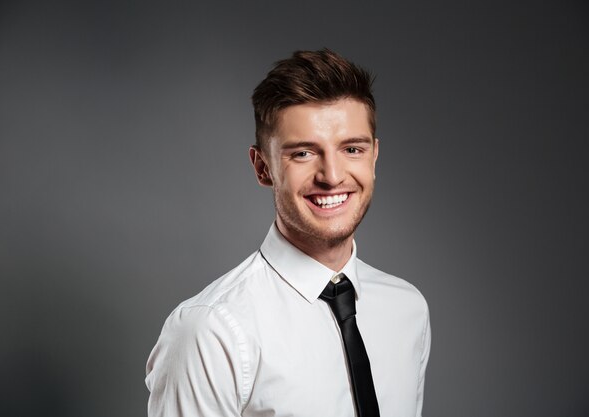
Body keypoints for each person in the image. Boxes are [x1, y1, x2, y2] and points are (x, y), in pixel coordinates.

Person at [145, 48, 431, 417]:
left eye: (352, 149)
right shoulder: (210, 331)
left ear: (373, 156)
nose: (332, 175)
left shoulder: (407, 309)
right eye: (303, 154)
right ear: (263, 168)